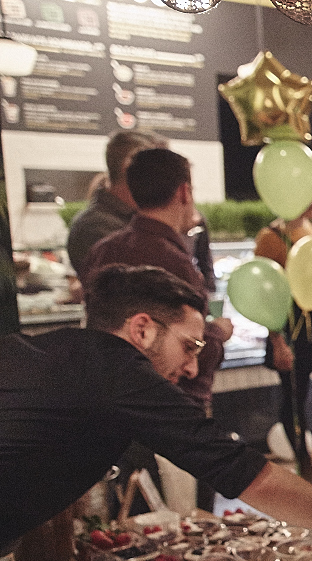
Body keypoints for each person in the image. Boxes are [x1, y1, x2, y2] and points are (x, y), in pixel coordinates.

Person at [0, 264, 312, 561]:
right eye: (189, 346)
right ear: (142, 329)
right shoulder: (121, 374)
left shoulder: (59, 353)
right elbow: (249, 476)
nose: (191, 368)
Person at [78, 147, 232, 412]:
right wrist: (217, 332)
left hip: (105, 399)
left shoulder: (102, 249)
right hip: (164, 409)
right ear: (184, 192)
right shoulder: (174, 261)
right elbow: (192, 355)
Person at [255, 198, 312, 483]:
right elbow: (265, 292)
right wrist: (277, 340)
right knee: (295, 400)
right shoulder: (271, 238)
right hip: (290, 329)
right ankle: (304, 464)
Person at [66, 129, 168, 269]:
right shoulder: (96, 226)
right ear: (129, 168)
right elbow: (145, 282)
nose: (169, 179)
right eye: (162, 168)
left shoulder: (133, 218)